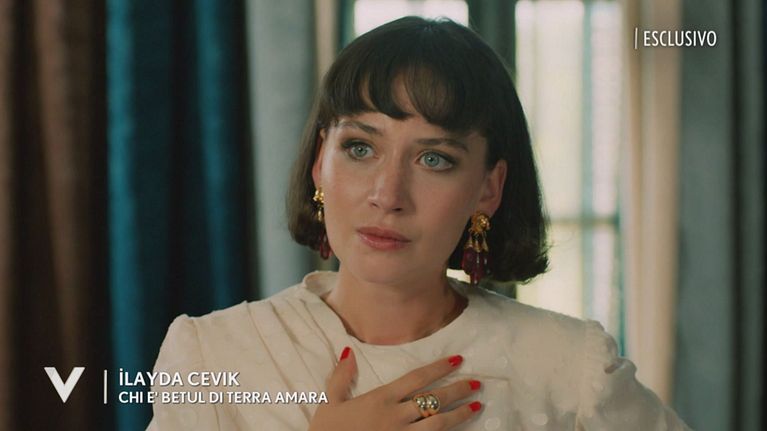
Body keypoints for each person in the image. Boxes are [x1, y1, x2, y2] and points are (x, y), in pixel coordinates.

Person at [148, 17, 691, 430]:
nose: (388, 195)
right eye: (360, 148)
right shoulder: (211, 355)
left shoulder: (570, 368)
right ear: (319, 162)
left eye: (434, 159)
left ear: (488, 188)